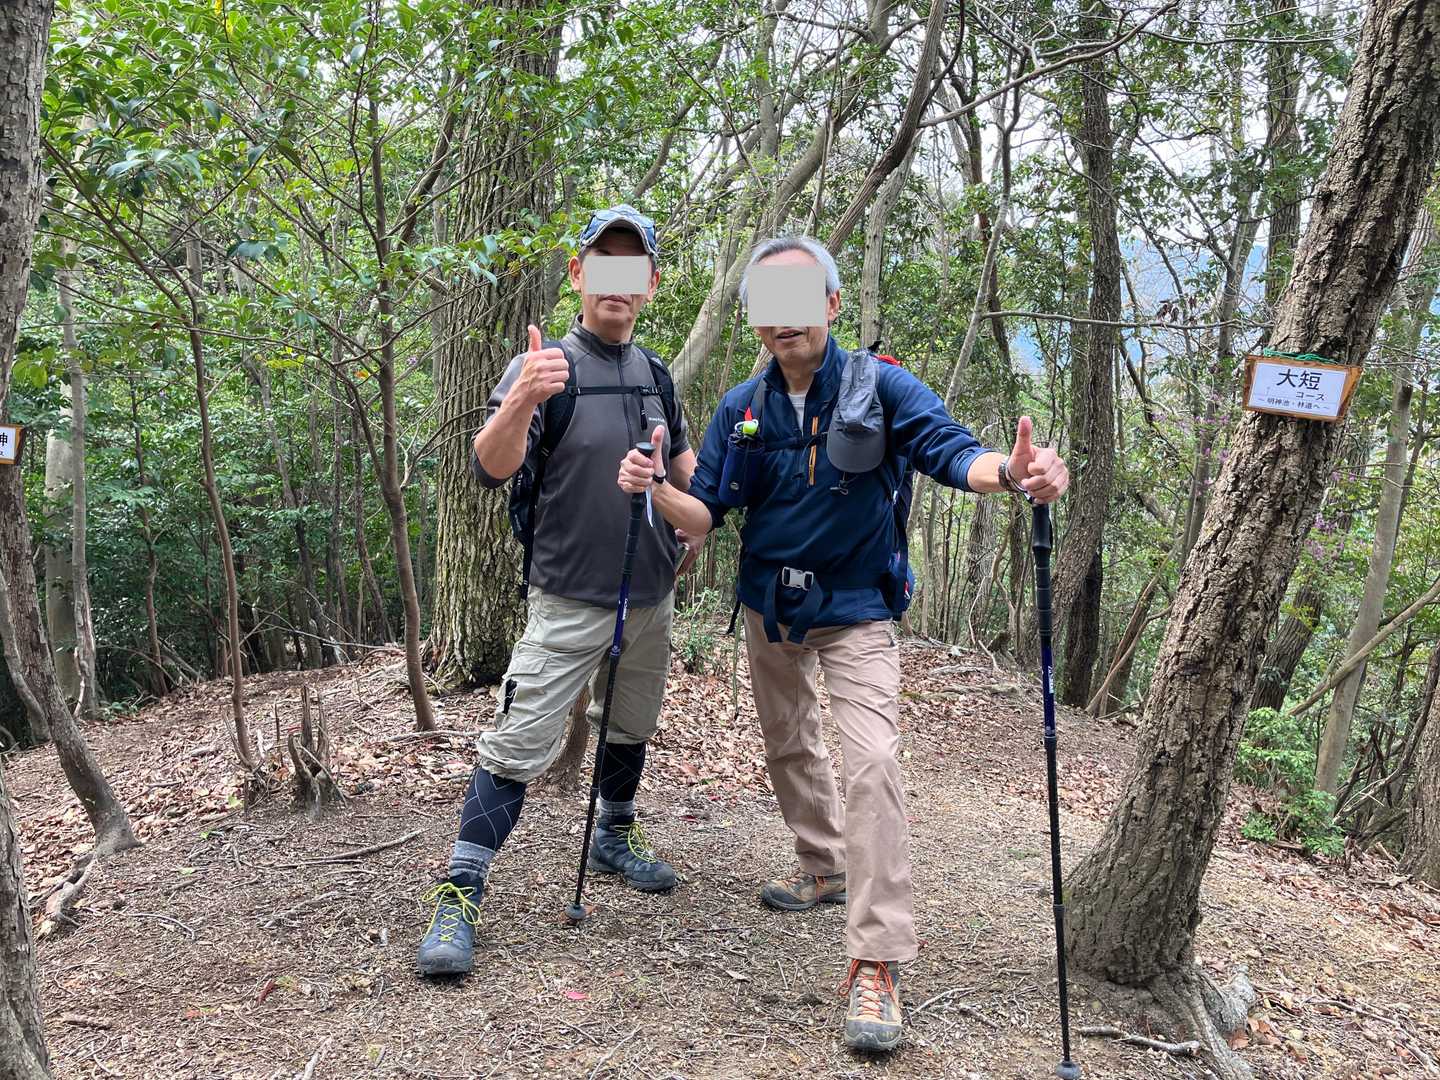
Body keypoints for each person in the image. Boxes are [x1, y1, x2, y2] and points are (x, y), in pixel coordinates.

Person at [616, 235, 1069, 1051]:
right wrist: (656, 492)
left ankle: (877, 959)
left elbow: (953, 452)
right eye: (767, 305)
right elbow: (707, 511)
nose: (782, 320)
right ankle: (822, 864)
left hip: (858, 607)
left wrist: (1012, 472)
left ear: (829, 304)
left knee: (871, 763)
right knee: (789, 744)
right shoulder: (741, 408)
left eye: (798, 300)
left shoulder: (881, 385)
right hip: (769, 606)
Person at [417, 205, 699, 977]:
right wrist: (522, 400)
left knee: (630, 722)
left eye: (632, 269)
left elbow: (687, 472)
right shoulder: (543, 367)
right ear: (577, 275)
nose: (618, 284)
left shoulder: (656, 376)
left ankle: (615, 831)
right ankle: (461, 890)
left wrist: (695, 517)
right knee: (516, 745)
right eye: (602, 266)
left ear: (650, 284)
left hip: (650, 594)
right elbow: (489, 467)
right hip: (567, 597)